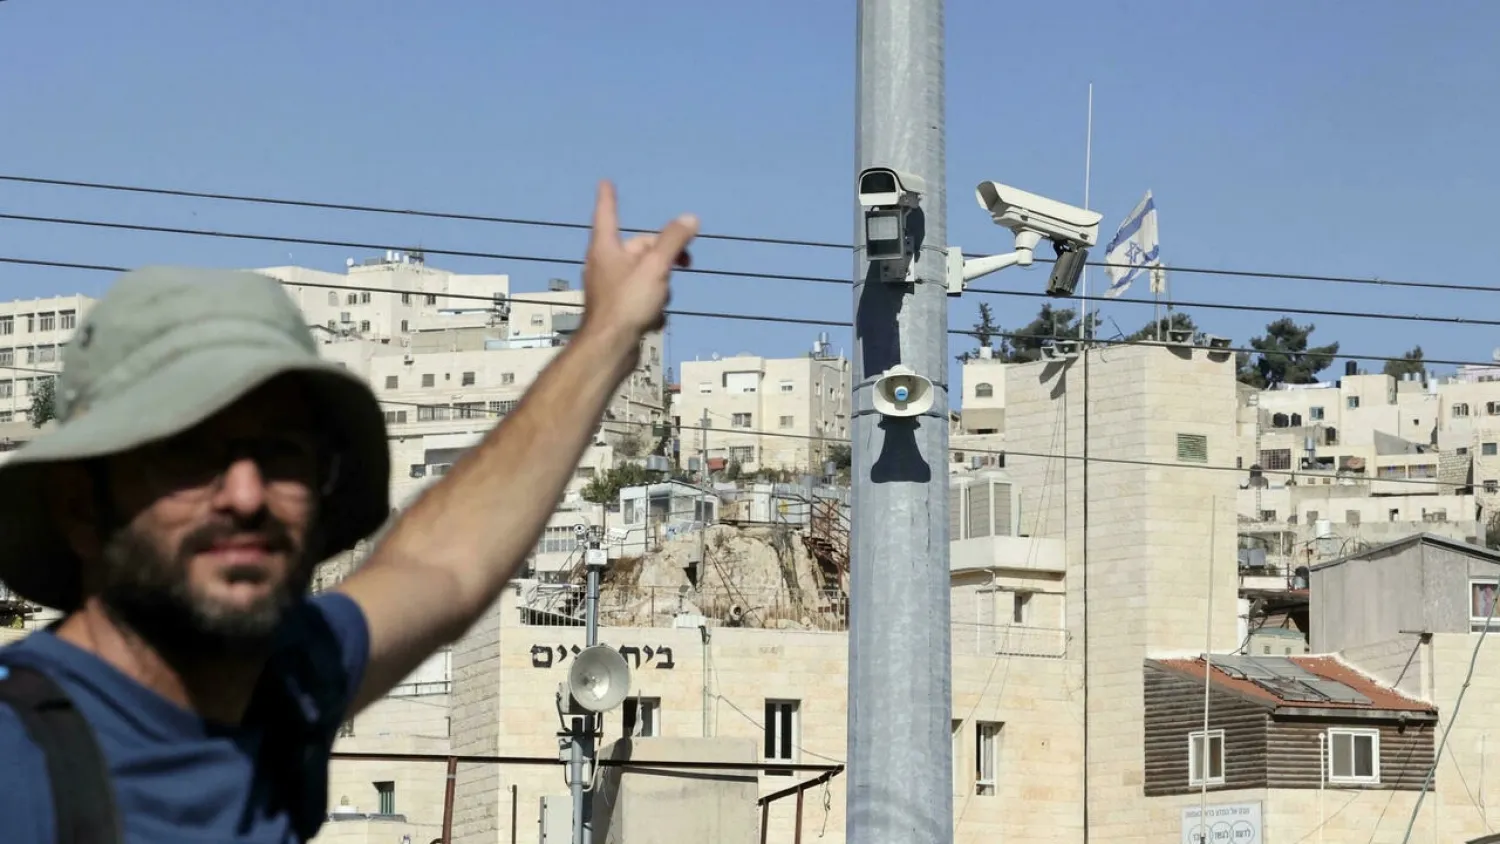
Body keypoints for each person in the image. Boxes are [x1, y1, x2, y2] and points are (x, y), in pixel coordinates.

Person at [0, 182, 698, 843]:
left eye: (283, 454)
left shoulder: (280, 690)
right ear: (80, 506)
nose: (246, 496)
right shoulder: (19, 763)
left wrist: (609, 333)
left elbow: (443, 564)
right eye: (188, 455)